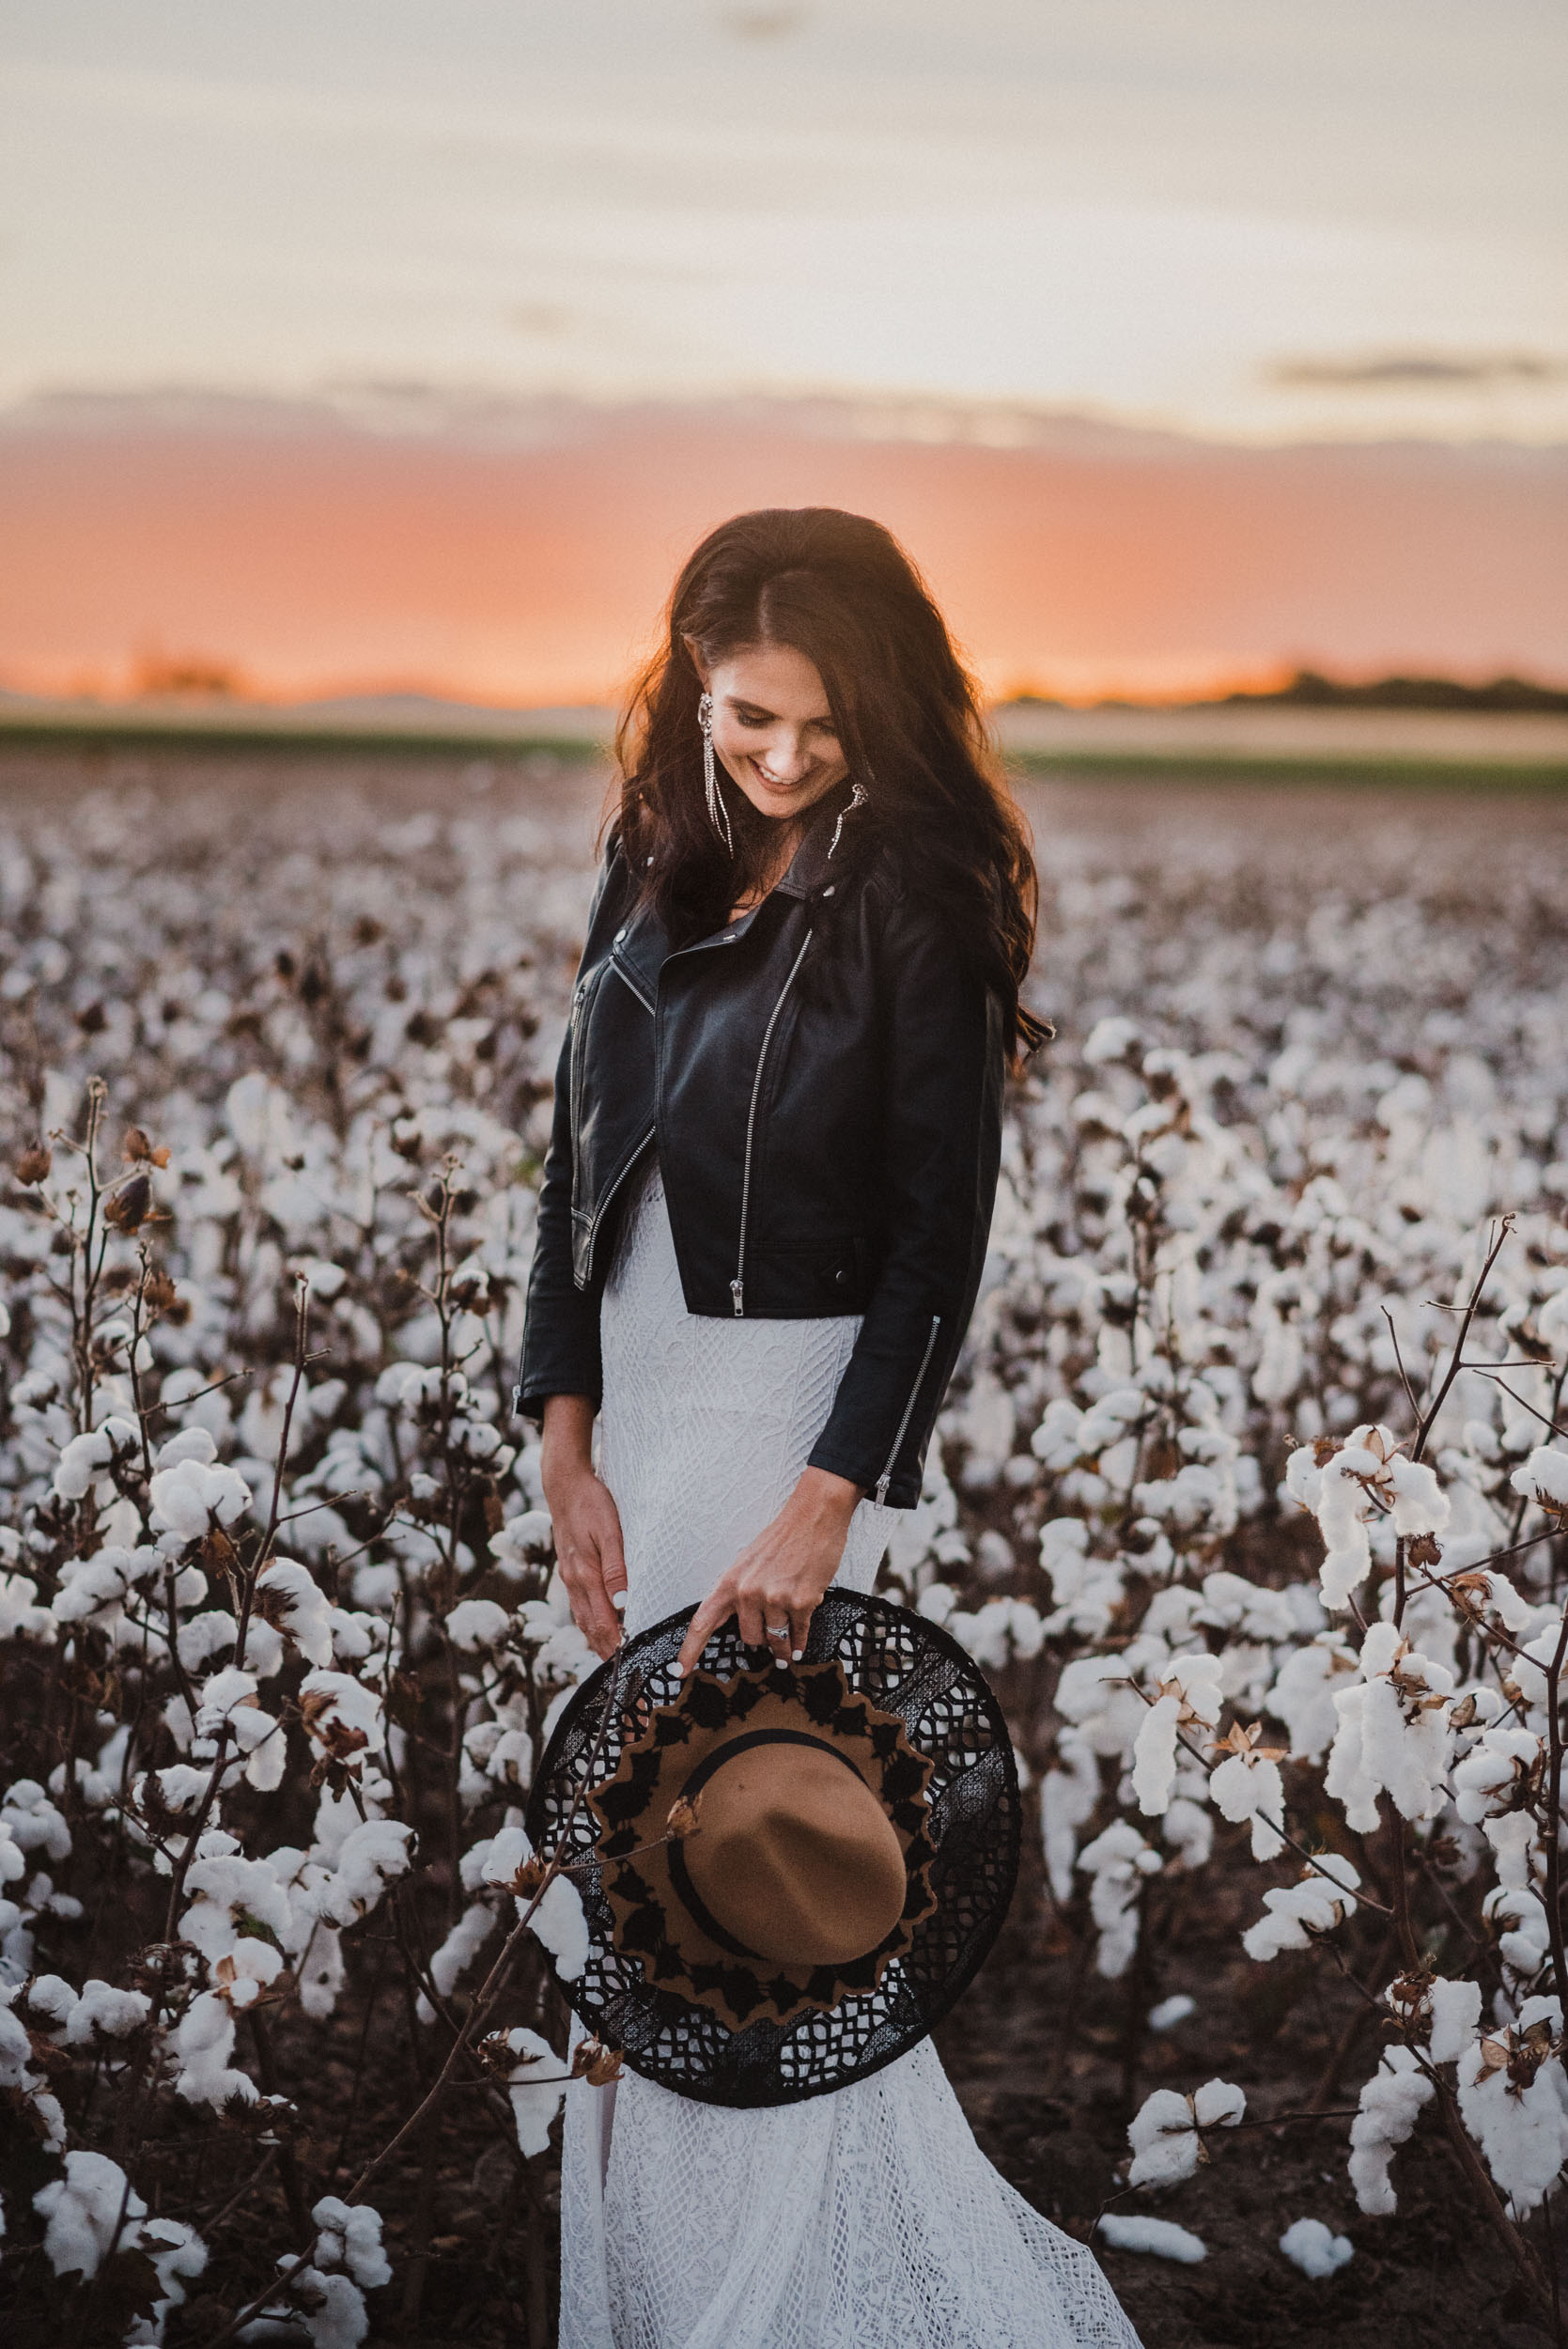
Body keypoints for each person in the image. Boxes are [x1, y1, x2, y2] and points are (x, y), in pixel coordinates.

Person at [516, 507, 1141, 2348]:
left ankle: (783, 2303)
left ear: (879, 703)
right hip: (633, 1408)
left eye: (814, 723)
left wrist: (825, 1504)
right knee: (625, 1870)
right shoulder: (650, 853)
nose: (777, 758)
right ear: (687, 692)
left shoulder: (916, 899)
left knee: (758, 1875)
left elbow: (936, 1250)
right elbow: (574, 1172)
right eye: (740, 718)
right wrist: (560, 1436)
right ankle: (646, 2291)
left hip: (788, 1414)